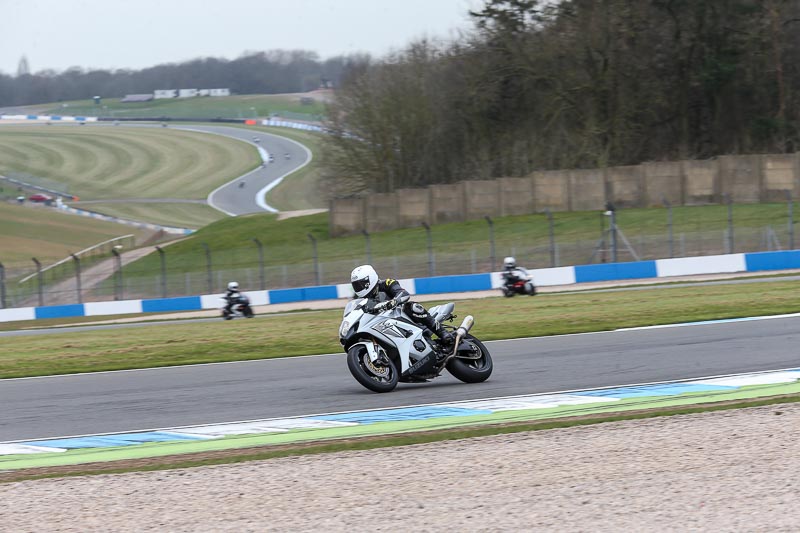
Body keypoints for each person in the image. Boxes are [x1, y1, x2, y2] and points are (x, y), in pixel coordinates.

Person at [350, 265, 454, 347]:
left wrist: (393, 302)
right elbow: (355, 312)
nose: (358, 288)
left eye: (360, 284)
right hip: (380, 324)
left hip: (400, 317)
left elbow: (404, 294)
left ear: (369, 280)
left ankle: (443, 333)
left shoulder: (386, 283)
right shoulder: (358, 299)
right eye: (356, 285)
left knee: (412, 307)